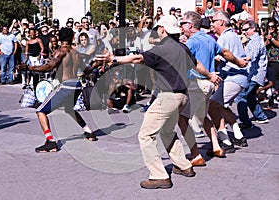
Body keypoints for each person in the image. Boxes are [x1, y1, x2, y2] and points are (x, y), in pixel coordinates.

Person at [96, 15, 220, 189]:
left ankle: (159, 175)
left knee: (146, 135)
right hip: (183, 97)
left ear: (163, 29)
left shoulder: (161, 48)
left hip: (167, 97)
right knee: (167, 131)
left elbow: (137, 59)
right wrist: (210, 75)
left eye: (158, 29)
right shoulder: (182, 47)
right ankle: (183, 165)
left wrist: (113, 59)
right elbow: (196, 64)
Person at [178, 11, 248, 166]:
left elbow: (183, 63)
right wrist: (238, 61)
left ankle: (196, 155)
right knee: (203, 117)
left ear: (190, 25)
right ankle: (217, 146)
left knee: (182, 119)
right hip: (209, 85)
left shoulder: (192, 42)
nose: (180, 26)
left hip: (198, 84)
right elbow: (225, 52)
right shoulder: (209, 39)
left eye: (182, 23)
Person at [18, 27, 97, 153]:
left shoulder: (60, 52)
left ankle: (50, 142)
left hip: (65, 86)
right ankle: (89, 132)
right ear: (72, 38)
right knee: (69, 109)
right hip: (76, 85)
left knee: (40, 111)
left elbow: (49, 67)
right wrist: (94, 65)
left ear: (59, 38)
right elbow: (86, 71)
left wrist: (29, 67)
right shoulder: (76, 53)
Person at [209, 11, 250, 152]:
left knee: (213, 105)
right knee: (222, 106)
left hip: (234, 76)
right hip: (236, 77)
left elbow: (218, 56)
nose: (211, 23)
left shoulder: (224, 38)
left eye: (213, 20)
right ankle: (238, 136)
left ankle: (226, 141)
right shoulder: (230, 35)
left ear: (221, 22)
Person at [236, 20, 269, 129]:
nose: (244, 32)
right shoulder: (254, 40)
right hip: (255, 73)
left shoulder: (255, 40)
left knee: (241, 96)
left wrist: (238, 61)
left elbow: (251, 56)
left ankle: (246, 122)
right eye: (242, 30)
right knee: (250, 96)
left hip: (254, 74)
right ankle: (261, 117)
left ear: (253, 29)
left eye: (246, 29)